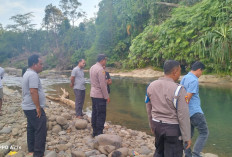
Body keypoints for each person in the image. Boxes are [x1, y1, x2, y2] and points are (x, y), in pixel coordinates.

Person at [146, 60, 191, 157]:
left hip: (157, 125)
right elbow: (183, 116)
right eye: (179, 70)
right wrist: (187, 136)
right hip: (172, 129)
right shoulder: (179, 89)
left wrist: (152, 125)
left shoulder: (151, 86)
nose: (180, 73)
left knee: (159, 152)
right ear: (175, 71)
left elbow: (149, 108)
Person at [180, 61, 209, 157]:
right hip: (195, 112)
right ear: (199, 69)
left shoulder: (184, 78)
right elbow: (187, 97)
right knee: (204, 133)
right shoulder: (194, 80)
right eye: (202, 71)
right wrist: (185, 104)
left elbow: (181, 94)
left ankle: (188, 155)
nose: (201, 74)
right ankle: (196, 154)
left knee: (188, 135)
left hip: (186, 113)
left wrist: (182, 110)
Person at [21, 54, 47, 157]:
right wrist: (38, 107)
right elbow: (33, 91)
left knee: (31, 127)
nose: (42, 66)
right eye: (40, 64)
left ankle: (31, 150)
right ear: (34, 64)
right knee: (41, 129)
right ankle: (38, 153)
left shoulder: (27, 73)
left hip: (27, 106)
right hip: (32, 107)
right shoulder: (32, 75)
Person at [90, 54, 110, 137]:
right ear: (102, 60)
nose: (106, 61)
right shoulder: (100, 69)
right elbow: (103, 85)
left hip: (93, 94)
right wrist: (107, 97)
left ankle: (94, 131)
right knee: (101, 114)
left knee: (94, 113)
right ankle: (99, 133)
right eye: (105, 60)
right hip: (99, 95)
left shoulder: (92, 67)